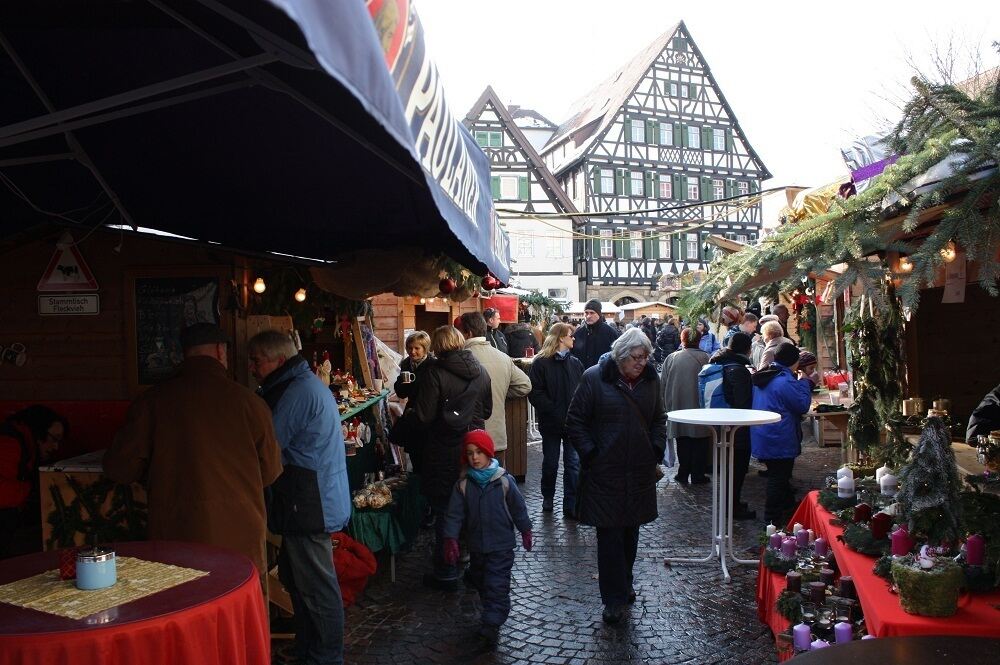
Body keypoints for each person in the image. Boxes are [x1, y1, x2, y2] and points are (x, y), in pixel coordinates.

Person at [105, 323, 282, 576]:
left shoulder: (152, 401)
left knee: (183, 605)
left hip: (176, 535)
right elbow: (271, 472)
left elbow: (120, 468)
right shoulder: (250, 403)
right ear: (221, 352)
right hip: (240, 535)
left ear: (183, 354)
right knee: (235, 604)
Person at [248, 329, 351, 665]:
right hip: (310, 499)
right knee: (302, 583)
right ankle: (312, 650)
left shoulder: (296, 392)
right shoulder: (299, 384)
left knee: (317, 589)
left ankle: (326, 656)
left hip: (310, 502)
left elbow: (269, 445)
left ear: (279, 359)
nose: (252, 368)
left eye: (257, 361)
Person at [565, 328, 666, 624]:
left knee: (630, 533)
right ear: (621, 358)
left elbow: (659, 417)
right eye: (637, 357)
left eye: (646, 357)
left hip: (638, 470)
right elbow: (575, 421)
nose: (642, 363)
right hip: (604, 473)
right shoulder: (594, 377)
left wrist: (656, 448)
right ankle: (613, 599)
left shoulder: (651, 379)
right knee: (609, 536)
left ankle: (625, 581)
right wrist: (591, 454)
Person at [410, 325, 492, 590]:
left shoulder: (434, 373)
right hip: (474, 448)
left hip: (443, 450)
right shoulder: (480, 370)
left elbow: (424, 415)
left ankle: (446, 570)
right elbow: (487, 410)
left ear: (436, 346)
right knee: (473, 506)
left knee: (446, 509)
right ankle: (473, 564)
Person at [442, 430, 532, 646]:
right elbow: (454, 515)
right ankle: (491, 613)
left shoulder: (504, 481)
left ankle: (491, 625)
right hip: (477, 546)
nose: (475, 458)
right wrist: (450, 538)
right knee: (483, 581)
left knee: (496, 584)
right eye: (471, 453)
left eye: (479, 452)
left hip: (501, 546)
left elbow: (518, 508)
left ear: (489, 454)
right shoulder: (463, 485)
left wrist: (526, 529)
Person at [751, 342, 813, 525]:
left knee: (779, 476)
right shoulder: (784, 381)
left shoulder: (766, 375)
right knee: (778, 478)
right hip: (779, 437)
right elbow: (801, 406)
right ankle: (772, 522)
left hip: (764, 434)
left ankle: (789, 510)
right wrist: (805, 383)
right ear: (794, 362)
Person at [527, 323, 584, 518]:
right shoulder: (541, 363)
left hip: (572, 424)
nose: (573, 338)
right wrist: (552, 410)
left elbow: (582, 393)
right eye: (570, 335)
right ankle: (548, 497)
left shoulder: (575, 363)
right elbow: (535, 392)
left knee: (573, 464)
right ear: (561, 338)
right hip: (551, 423)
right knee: (550, 463)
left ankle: (571, 504)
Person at [461, 313, 531, 466]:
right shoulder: (502, 357)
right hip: (497, 438)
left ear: (468, 333)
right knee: (496, 484)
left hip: (468, 438)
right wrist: (501, 392)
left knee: (470, 486)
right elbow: (525, 385)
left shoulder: (460, 359)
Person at [698, 332, 756, 520]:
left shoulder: (719, 362)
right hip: (736, 428)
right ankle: (733, 507)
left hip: (721, 425)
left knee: (728, 468)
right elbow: (742, 402)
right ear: (747, 349)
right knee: (737, 469)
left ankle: (730, 504)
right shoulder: (738, 370)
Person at [1, 405, 66, 558]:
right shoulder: (9, 443)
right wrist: (33, 490)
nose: (55, 447)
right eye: (53, 439)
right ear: (39, 430)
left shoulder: (22, 442)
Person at [662, 327, 712, 484]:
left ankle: (682, 473)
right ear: (699, 340)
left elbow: (662, 384)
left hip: (678, 408)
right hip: (701, 409)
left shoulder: (671, 358)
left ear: (682, 340)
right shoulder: (707, 358)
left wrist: (665, 406)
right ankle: (698, 474)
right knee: (700, 442)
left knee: (682, 441)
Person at [391, 331, 435, 474]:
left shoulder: (432, 365)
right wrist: (404, 384)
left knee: (428, 458)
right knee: (415, 456)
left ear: (425, 348)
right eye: (410, 348)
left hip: (428, 415)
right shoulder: (406, 364)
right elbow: (401, 393)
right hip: (412, 414)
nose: (412, 352)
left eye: (417, 348)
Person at [572, 299, 621, 369]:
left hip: (603, 376)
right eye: (586, 313)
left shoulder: (610, 333)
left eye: (592, 313)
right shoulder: (578, 333)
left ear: (599, 314)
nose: (588, 316)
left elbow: (617, 356)